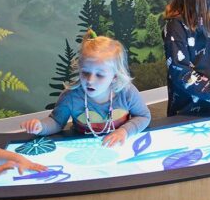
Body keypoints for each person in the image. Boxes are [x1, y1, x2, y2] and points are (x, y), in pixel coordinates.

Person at [21, 33, 150, 147]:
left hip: (119, 146)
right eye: (85, 72)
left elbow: (143, 116)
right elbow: (56, 121)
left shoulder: (127, 92)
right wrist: (40, 127)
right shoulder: (70, 97)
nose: (90, 80)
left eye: (99, 75)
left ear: (114, 77)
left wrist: (124, 131)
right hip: (83, 147)